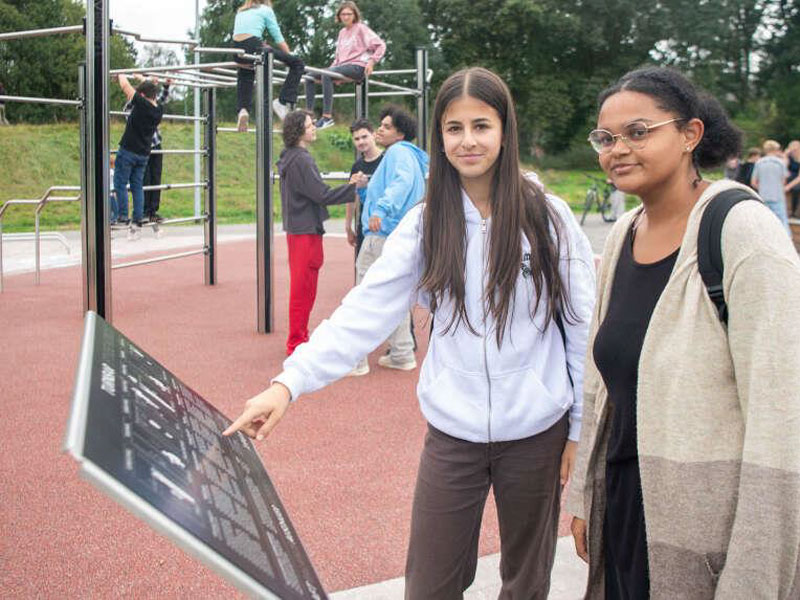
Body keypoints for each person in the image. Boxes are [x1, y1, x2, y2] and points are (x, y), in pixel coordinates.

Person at [224, 66, 596, 598]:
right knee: (429, 585)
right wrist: (288, 383)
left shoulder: (548, 218)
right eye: (454, 128)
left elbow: (581, 327)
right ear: (439, 138)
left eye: (481, 126)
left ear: (504, 131)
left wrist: (579, 427)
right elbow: (364, 310)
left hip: (536, 432)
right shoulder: (426, 223)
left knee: (526, 581)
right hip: (454, 432)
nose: (468, 141)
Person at [569, 66, 800, 599]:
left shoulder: (742, 231)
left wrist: (755, 574)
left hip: (710, 527)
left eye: (638, 132)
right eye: (606, 138)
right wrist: (585, 494)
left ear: (690, 134)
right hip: (628, 508)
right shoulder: (625, 233)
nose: (618, 149)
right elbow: (602, 383)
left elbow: (782, 415)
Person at [277, 110, 367, 355]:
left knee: (303, 286)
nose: (314, 127)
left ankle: (300, 337)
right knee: (303, 288)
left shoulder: (290, 156)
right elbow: (321, 194)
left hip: (299, 229)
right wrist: (353, 187)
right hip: (305, 230)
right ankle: (297, 341)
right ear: (299, 131)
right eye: (310, 125)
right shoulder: (301, 159)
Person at [349, 105, 428, 375]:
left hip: (381, 234)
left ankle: (356, 360)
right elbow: (393, 188)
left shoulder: (397, 152)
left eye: (386, 127)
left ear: (399, 134)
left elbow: (401, 184)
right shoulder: (410, 156)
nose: (379, 130)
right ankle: (402, 353)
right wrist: (365, 190)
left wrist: (381, 210)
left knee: (363, 294)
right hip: (396, 234)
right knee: (395, 296)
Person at [304, 1, 385, 130]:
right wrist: (331, 71)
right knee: (309, 77)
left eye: (349, 14)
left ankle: (327, 117)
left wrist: (371, 62)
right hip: (343, 67)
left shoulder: (360, 28)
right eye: (343, 14)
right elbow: (338, 58)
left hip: (357, 66)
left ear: (354, 15)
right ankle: (308, 116)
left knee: (326, 74)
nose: (346, 17)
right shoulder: (342, 32)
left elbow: (380, 45)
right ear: (339, 16)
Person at [233, 0, 304, 131]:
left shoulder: (241, 11)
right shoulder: (266, 10)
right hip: (254, 46)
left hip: (236, 50)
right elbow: (278, 37)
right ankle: (282, 101)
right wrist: (289, 56)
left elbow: (242, 35)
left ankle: (243, 109)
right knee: (298, 64)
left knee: (246, 73)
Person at [112, 75, 164, 240]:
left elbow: (126, 87)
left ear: (141, 95)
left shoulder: (141, 104)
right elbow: (150, 91)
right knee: (137, 186)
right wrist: (144, 80)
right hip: (143, 154)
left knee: (120, 183)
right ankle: (137, 219)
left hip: (128, 150)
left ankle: (122, 216)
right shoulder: (158, 110)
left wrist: (121, 75)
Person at [124, 79, 171, 223]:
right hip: (143, 147)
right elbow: (131, 104)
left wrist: (165, 86)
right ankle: (144, 211)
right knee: (145, 179)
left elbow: (161, 99)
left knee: (156, 178)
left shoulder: (152, 105)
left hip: (155, 144)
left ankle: (152, 211)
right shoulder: (132, 107)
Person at [346, 118, 383, 259]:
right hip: (365, 226)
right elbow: (351, 197)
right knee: (362, 267)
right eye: (357, 139)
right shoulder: (357, 166)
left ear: (373, 135)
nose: (361, 142)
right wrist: (348, 227)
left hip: (384, 226)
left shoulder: (387, 160)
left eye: (364, 137)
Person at [751, 139, 791, 234]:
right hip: (777, 196)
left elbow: (753, 182)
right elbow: (784, 181)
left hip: (763, 196)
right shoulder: (781, 163)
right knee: (782, 222)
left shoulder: (759, 163)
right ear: (776, 149)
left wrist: (762, 188)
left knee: (764, 222)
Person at [785, 139, 800, 218]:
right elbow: (784, 170)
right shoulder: (789, 158)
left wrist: (788, 186)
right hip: (790, 177)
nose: (794, 152)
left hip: (797, 179)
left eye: (795, 150)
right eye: (792, 150)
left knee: (796, 189)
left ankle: (794, 212)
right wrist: (785, 156)